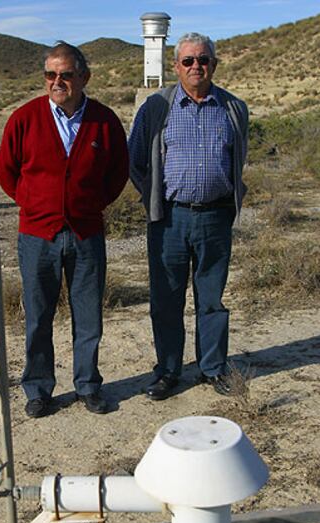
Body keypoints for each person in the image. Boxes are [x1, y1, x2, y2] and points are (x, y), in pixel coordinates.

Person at [0, 42, 128, 417]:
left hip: (86, 234)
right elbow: (6, 170)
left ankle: (88, 386)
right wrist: (35, 203)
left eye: (66, 75)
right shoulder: (24, 118)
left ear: (83, 78)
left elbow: (118, 171)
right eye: (51, 75)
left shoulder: (104, 120)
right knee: (38, 317)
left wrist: (91, 204)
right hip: (37, 236)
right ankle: (38, 389)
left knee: (88, 316)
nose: (58, 82)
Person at [128, 32, 248, 400]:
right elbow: (134, 161)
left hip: (215, 217)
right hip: (170, 219)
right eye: (188, 61)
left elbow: (238, 157)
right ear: (175, 66)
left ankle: (212, 368)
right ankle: (167, 370)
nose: (196, 66)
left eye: (204, 59)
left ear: (214, 63)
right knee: (167, 298)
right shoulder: (156, 107)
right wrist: (153, 200)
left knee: (211, 298)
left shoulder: (232, 107)